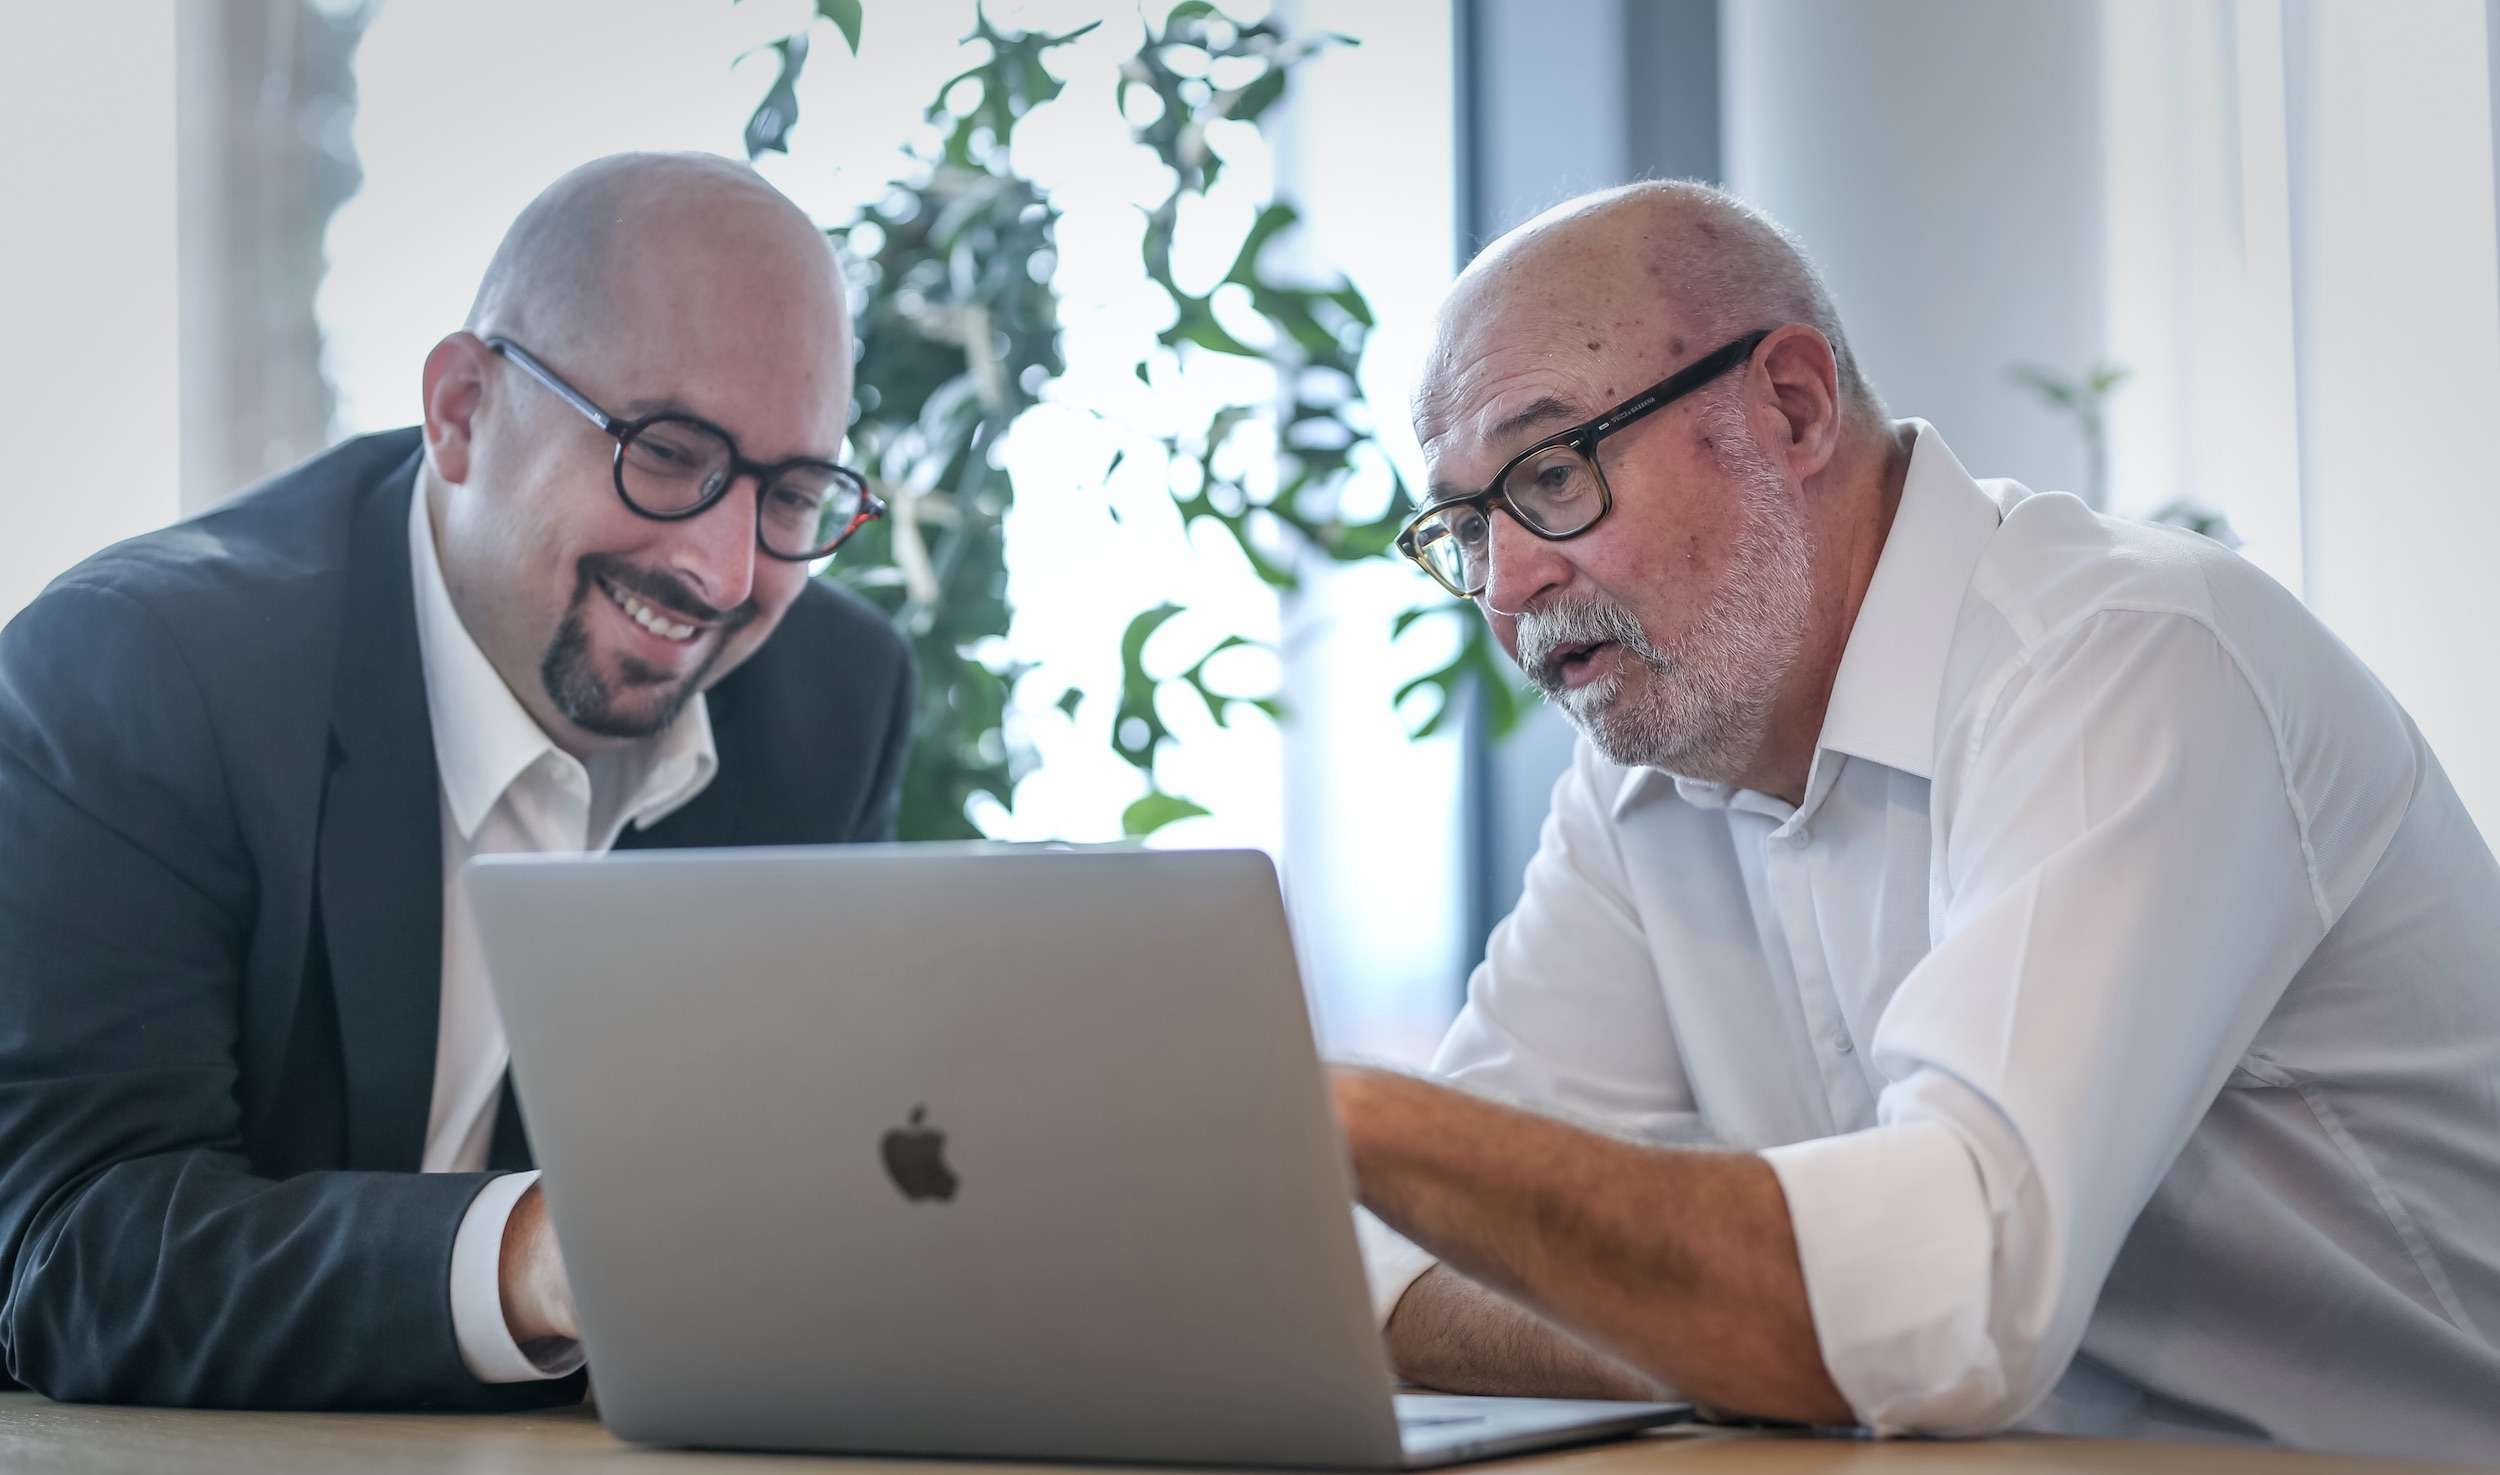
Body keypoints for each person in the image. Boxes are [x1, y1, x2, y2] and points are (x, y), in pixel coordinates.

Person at [1333, 181, 2500, 1462]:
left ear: (1791, 403)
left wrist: (1365, 1122)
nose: (1506, 583)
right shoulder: (1641, 780)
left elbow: (1956, 1299)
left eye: (1551, 471)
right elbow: (1397, 1268)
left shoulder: (2128, 657)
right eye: (1462, 525)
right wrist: (1738, 1331)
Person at [0, 153, 913, 1409]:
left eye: (794, 491)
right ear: (462, 411)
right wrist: (537, 1255)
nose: (722, 564)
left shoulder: (829, 700)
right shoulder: (141, 671)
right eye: (668, 451)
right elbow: (73, 1251)